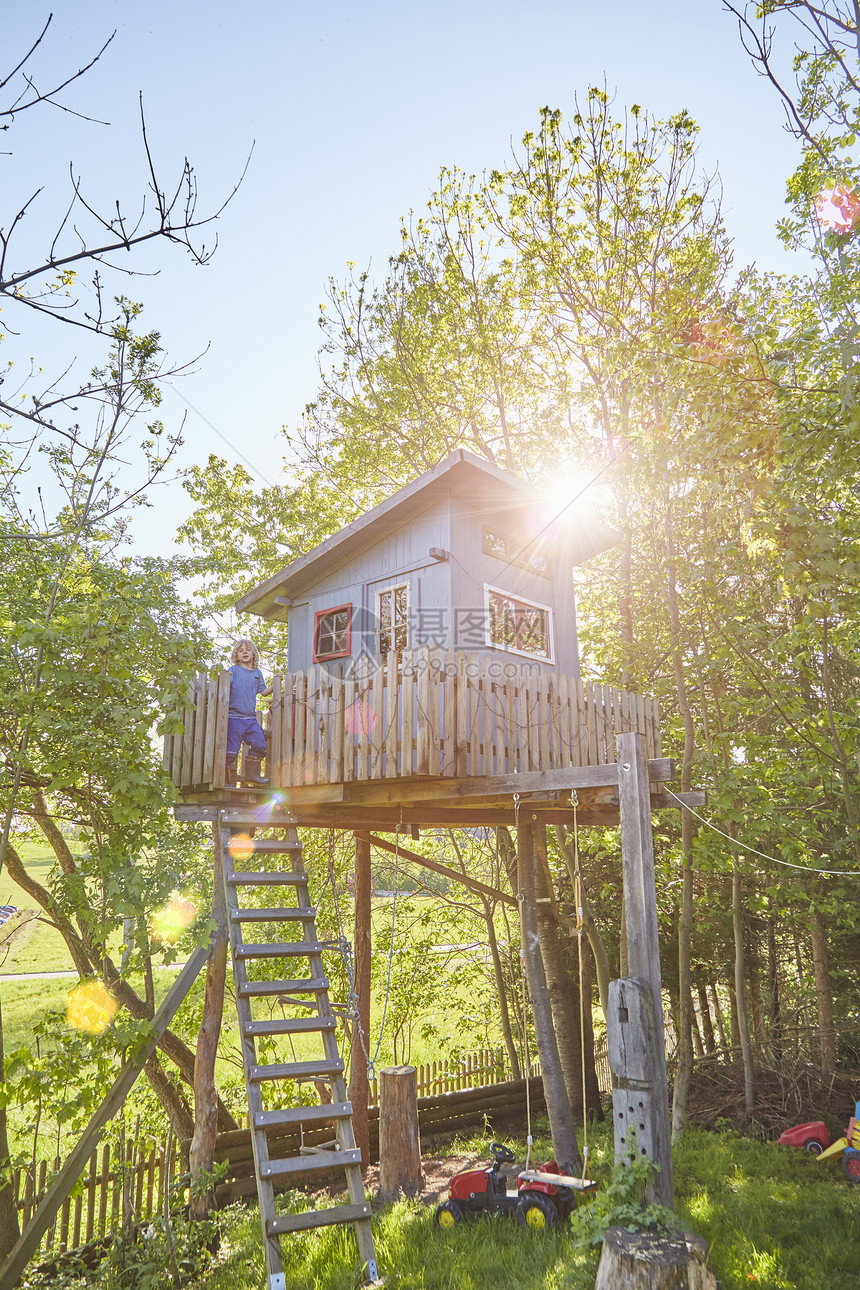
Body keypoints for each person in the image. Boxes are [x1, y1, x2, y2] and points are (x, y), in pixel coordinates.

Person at [226, 638, 272, 787]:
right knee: (231, 752)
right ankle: (224, 779)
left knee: (260, 743)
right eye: (240, 651)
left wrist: (276, 684)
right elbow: (226, 685)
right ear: (236, 656)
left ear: (253, 654)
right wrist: (225, 677)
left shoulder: (257, 673)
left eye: (248, 650)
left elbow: (263, 692)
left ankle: (251, 776)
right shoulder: (234, 670)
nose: (244, 652)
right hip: (234, 717)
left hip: (250, 719)